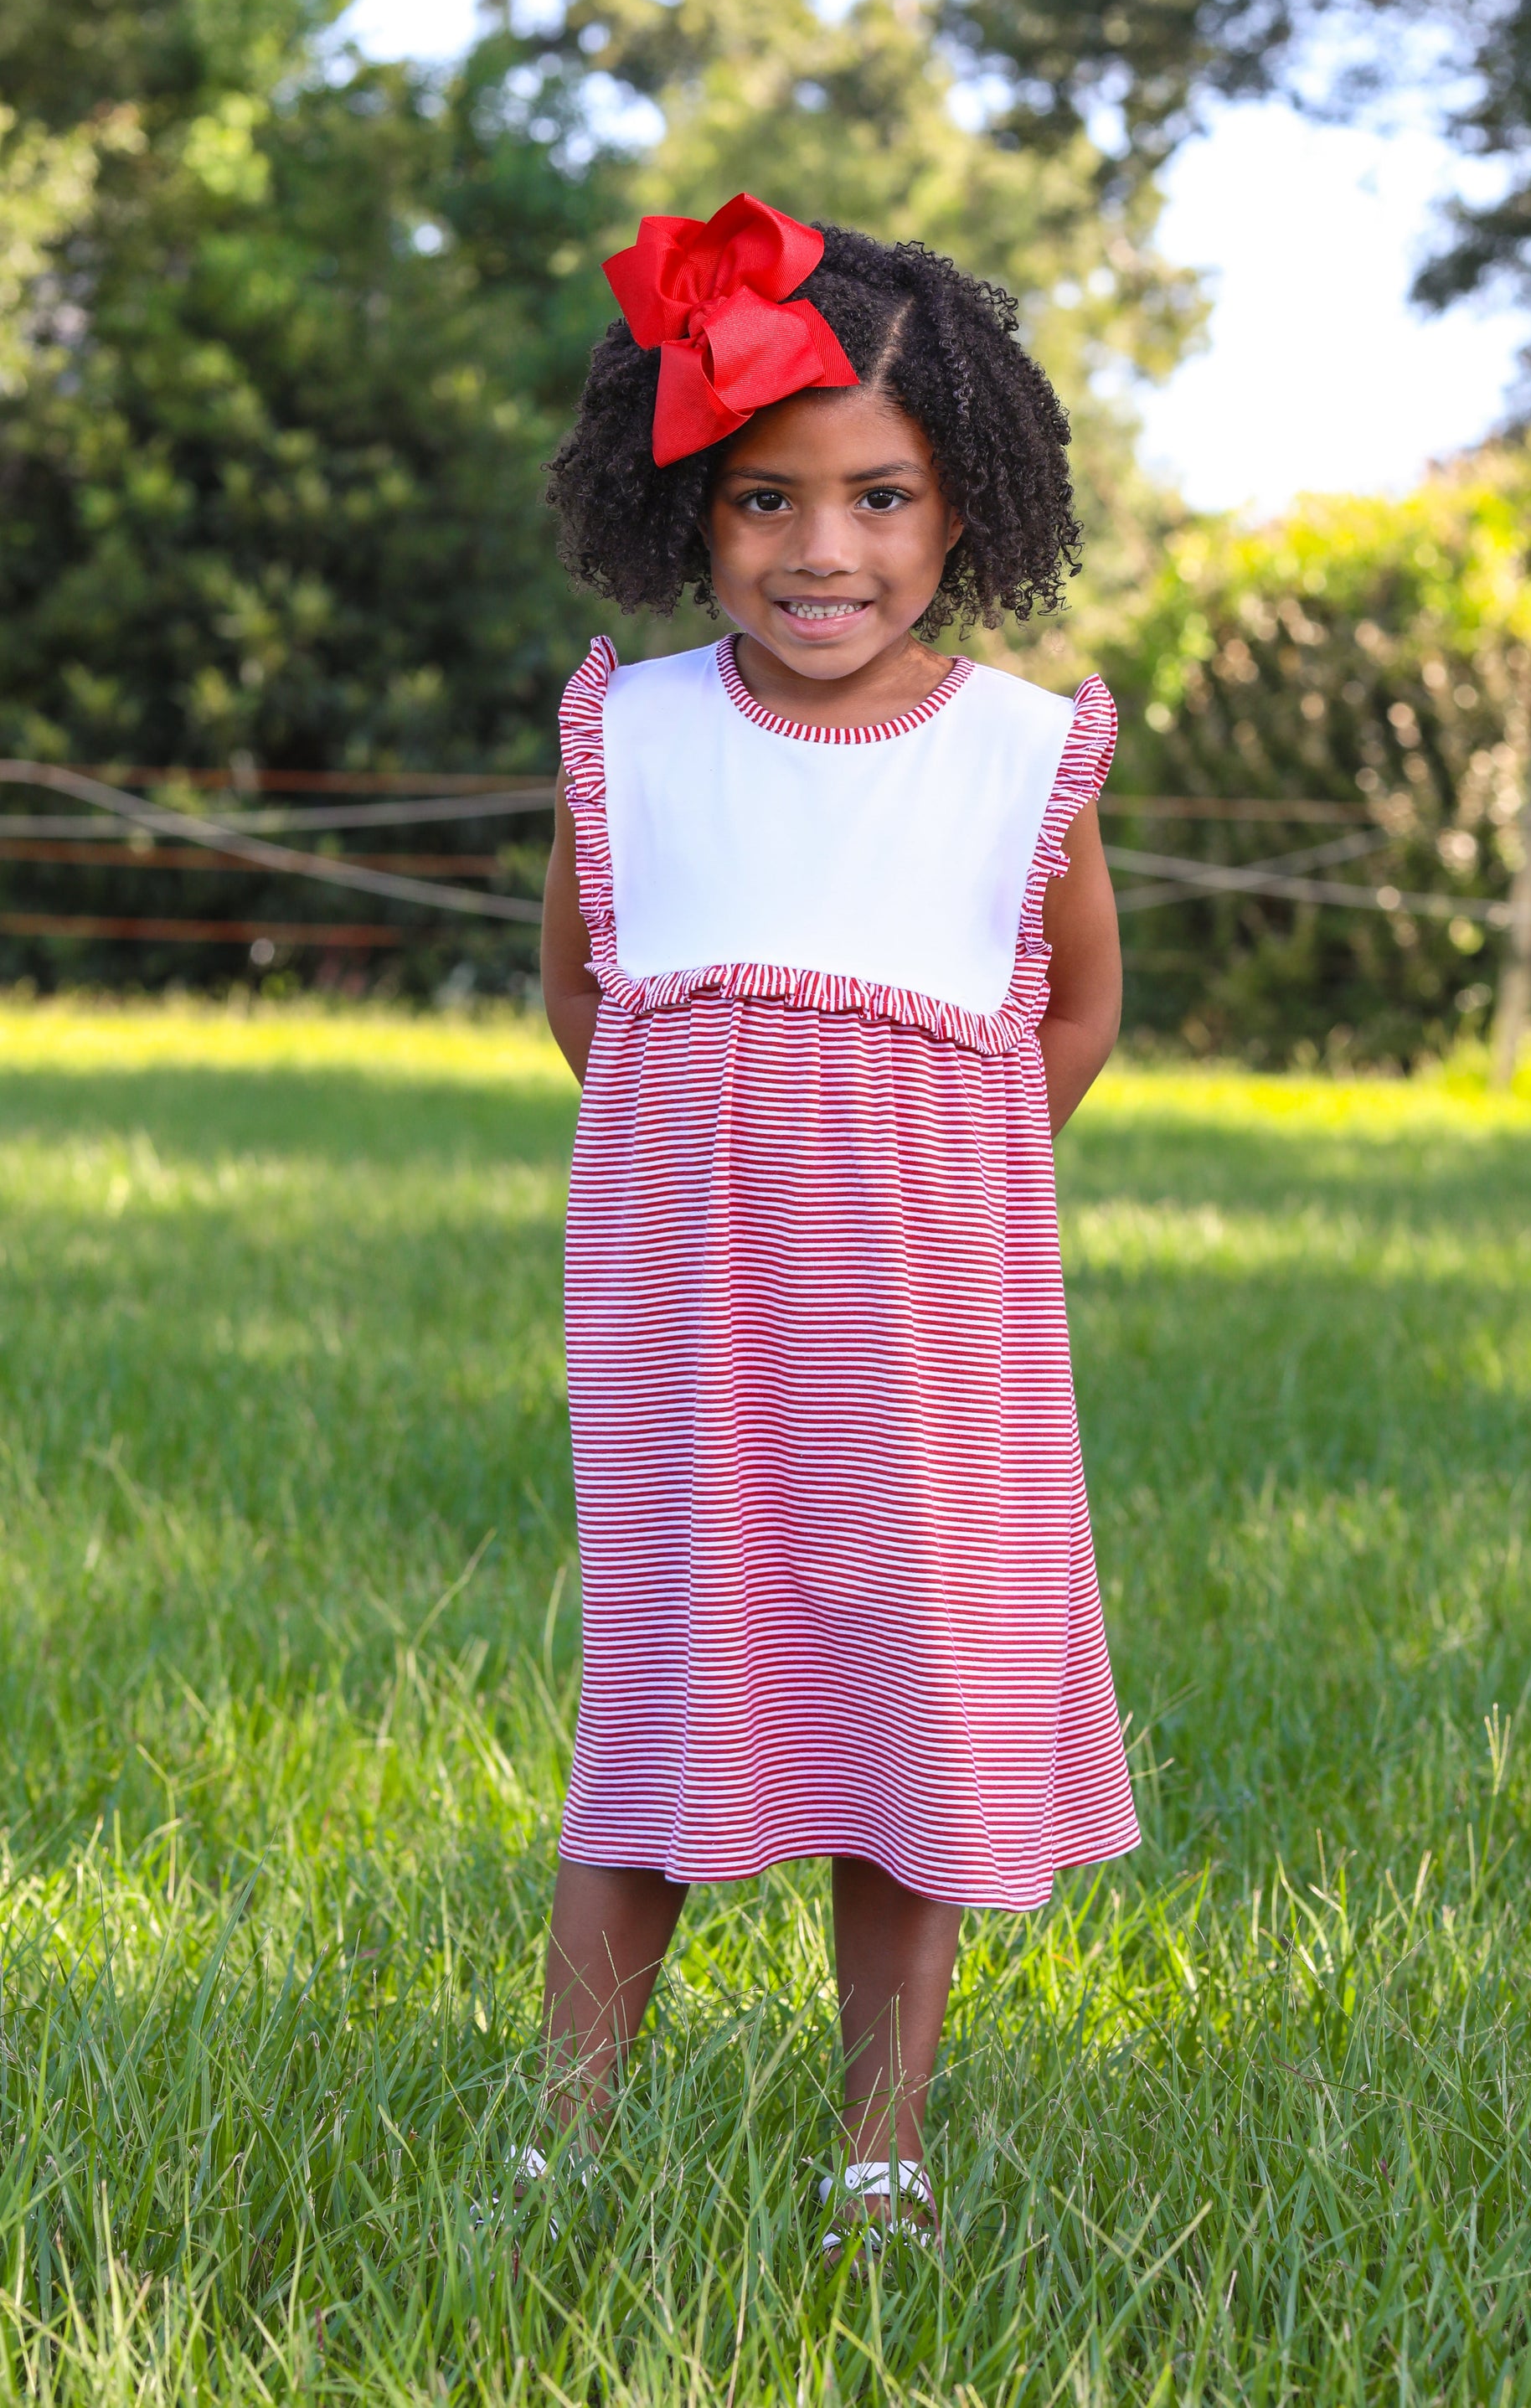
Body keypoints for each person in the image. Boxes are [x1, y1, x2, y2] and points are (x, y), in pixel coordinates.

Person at [535, 193, 1138, 2263]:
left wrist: (941, 1180)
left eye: (880, 497)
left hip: (929, 1325)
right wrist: (698, 1164)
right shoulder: (630, 732)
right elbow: (587, 993)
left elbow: (1076, 1008)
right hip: (686, 1320)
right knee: (665, 1688)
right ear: (686, 508)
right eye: (764, 499)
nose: (824, 549)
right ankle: (566, 2141)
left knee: (907, 1702)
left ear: (963, 509)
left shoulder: (1017, 753)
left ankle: (880, 2152)